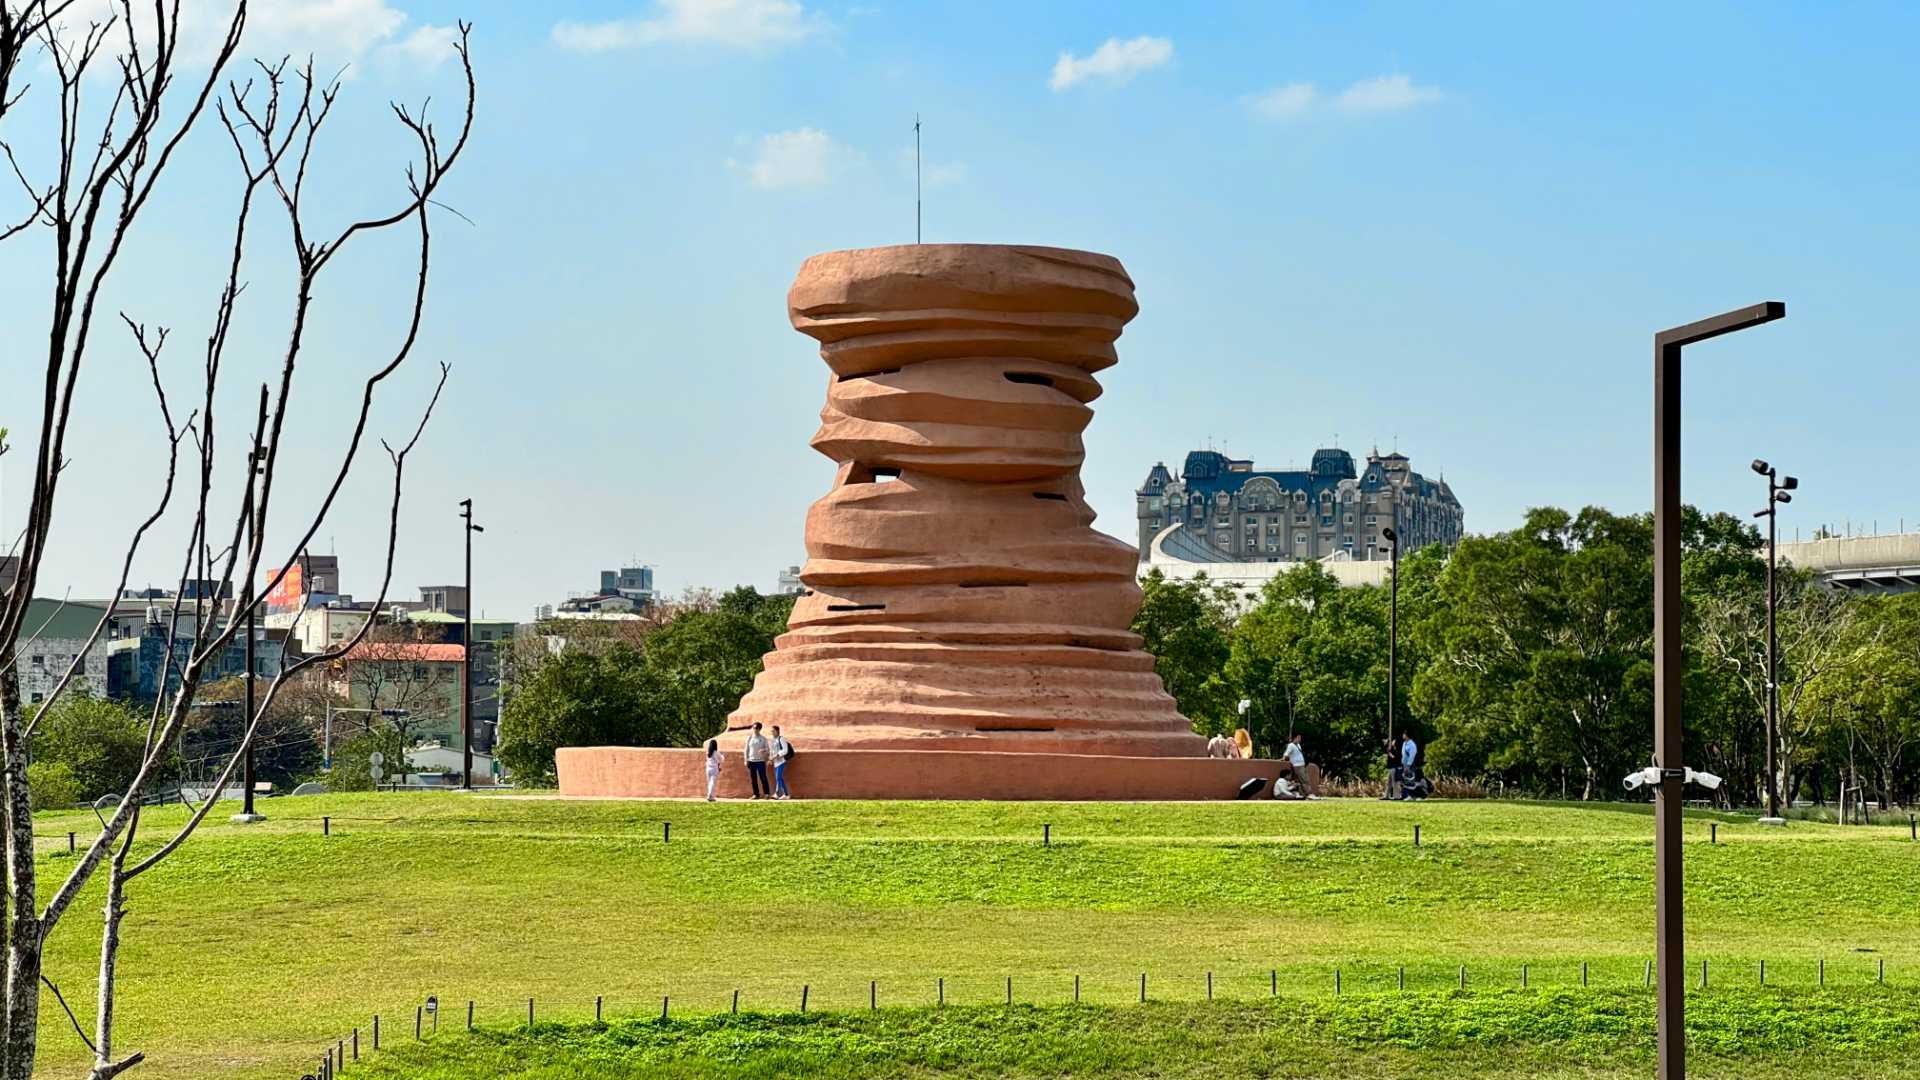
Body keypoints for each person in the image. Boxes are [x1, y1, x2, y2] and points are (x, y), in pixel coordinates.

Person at [1283, 733, 1316, 799]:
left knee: (1302, 780)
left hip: (1302, 765)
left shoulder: (1298, 745)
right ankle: (1309, 794)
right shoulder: (1291, 745)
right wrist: (1284, 759)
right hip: (1297, 766)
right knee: (1304, 780)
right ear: (1295, 738)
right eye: (1298, 738)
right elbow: (1286, 754)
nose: (1300, 739)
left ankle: (1302, 794)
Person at [744, 722, 772, 799]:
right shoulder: (749, 738)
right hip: (751, 761)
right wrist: (746, 760)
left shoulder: (763, 739)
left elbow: (768, 750)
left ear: (759, 729)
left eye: (756, 728)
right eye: (753, 728)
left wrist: (764, 750)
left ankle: (767, 794)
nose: (754, 730)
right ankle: (756, 794)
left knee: (763, 777)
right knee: (753, 779)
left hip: (760, 761)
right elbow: (746, 749)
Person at [770, 725, 793, 800]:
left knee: (778, 777)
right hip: (776, 762)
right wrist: (771, 759)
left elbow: (785, 750)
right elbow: (772, 751)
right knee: (780, 779)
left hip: (781, 761)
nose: (772, 732)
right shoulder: (773, 740)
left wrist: (777, 755)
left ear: (777, 731)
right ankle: (786, 795)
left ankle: (777, 794)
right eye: (771, 731)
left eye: (773, 731)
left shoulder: (781, 739)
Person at [1398, 731, 1419, 800]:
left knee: (1410, 780)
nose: (1403, 735)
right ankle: (1405, 795)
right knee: (1404, 780)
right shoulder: (1404, 743)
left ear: (1407, 736)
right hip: (1404, 764)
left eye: (1404, 734)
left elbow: (1412, 756)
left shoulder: (1412, 745)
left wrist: (1408, 765)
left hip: (1409, 764)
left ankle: (1411, 795)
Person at [1382, 736, 1402, 800]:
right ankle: (1386, 796)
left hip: (1394, 768)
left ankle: (1397, 796)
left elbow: (1394, 757)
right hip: (1390, 768)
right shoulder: (1390, 749)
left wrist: (1389, 752)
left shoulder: (1395, 750)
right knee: (1389, 783)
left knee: (1394, 783)